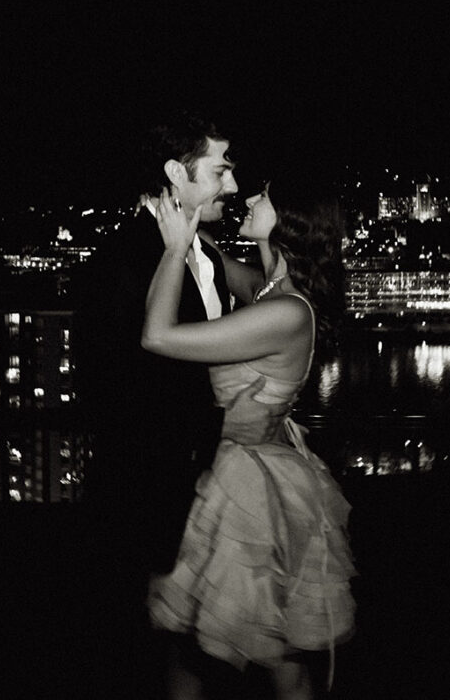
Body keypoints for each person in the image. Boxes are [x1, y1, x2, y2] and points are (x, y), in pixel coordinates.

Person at [75, 112, 289, 694]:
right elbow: (117, 393)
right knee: (148, 647)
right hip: (154, 492)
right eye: (220, 170)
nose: (233, 186)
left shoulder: (203, 250)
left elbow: (278, 303)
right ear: (176, 172)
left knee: (188, 652)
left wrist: (265, 241)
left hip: (198, 480)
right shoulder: (125, 262)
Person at [142, 180, 357, 699]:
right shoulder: (272, 292)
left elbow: (159, 336)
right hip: (255, 466)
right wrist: (191, 231)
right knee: (273, 653)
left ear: (290, 223)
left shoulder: (285, 313)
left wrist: (174, 250)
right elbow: (229, 270)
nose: (251, 200)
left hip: (253, 488)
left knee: (211, 646)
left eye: (265, 199)